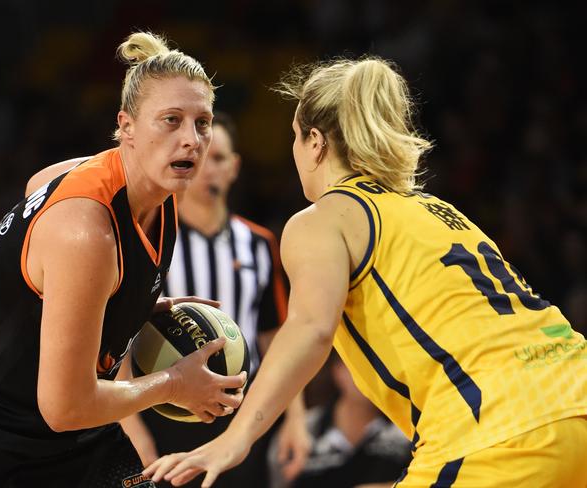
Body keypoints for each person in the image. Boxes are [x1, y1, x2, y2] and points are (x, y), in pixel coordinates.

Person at [145, 55, 587, 487]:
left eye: (296, 138)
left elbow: (311, 328)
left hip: (498, 429)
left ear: (315, 142)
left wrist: (235, 439)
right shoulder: (435, 209)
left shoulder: (322, 218)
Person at [0, 31, 247, 487]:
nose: (191, 140)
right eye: (171, 120)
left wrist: (108, 302)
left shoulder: (151, 191)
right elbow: (65, 407)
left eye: (202, 123)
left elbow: (38, 185)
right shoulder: (86, 231)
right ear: (127, 127)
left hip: (60, 437)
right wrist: (175, 384)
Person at [122, 111, 311, 488]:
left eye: (220, 159)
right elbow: (121, 338)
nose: (210, 169)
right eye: (204, 159)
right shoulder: (150, 235)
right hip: (164, 410)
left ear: (235, 167)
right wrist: (133, 429)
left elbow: (275, 337)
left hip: (240, 412)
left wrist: (295, 419)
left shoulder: (259, 243)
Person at [267, 351, 411, 488]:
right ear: (337, 370)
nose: (370, 377)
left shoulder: (407, 431)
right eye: (360, 366)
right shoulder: (302, 430)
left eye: (378, 367)